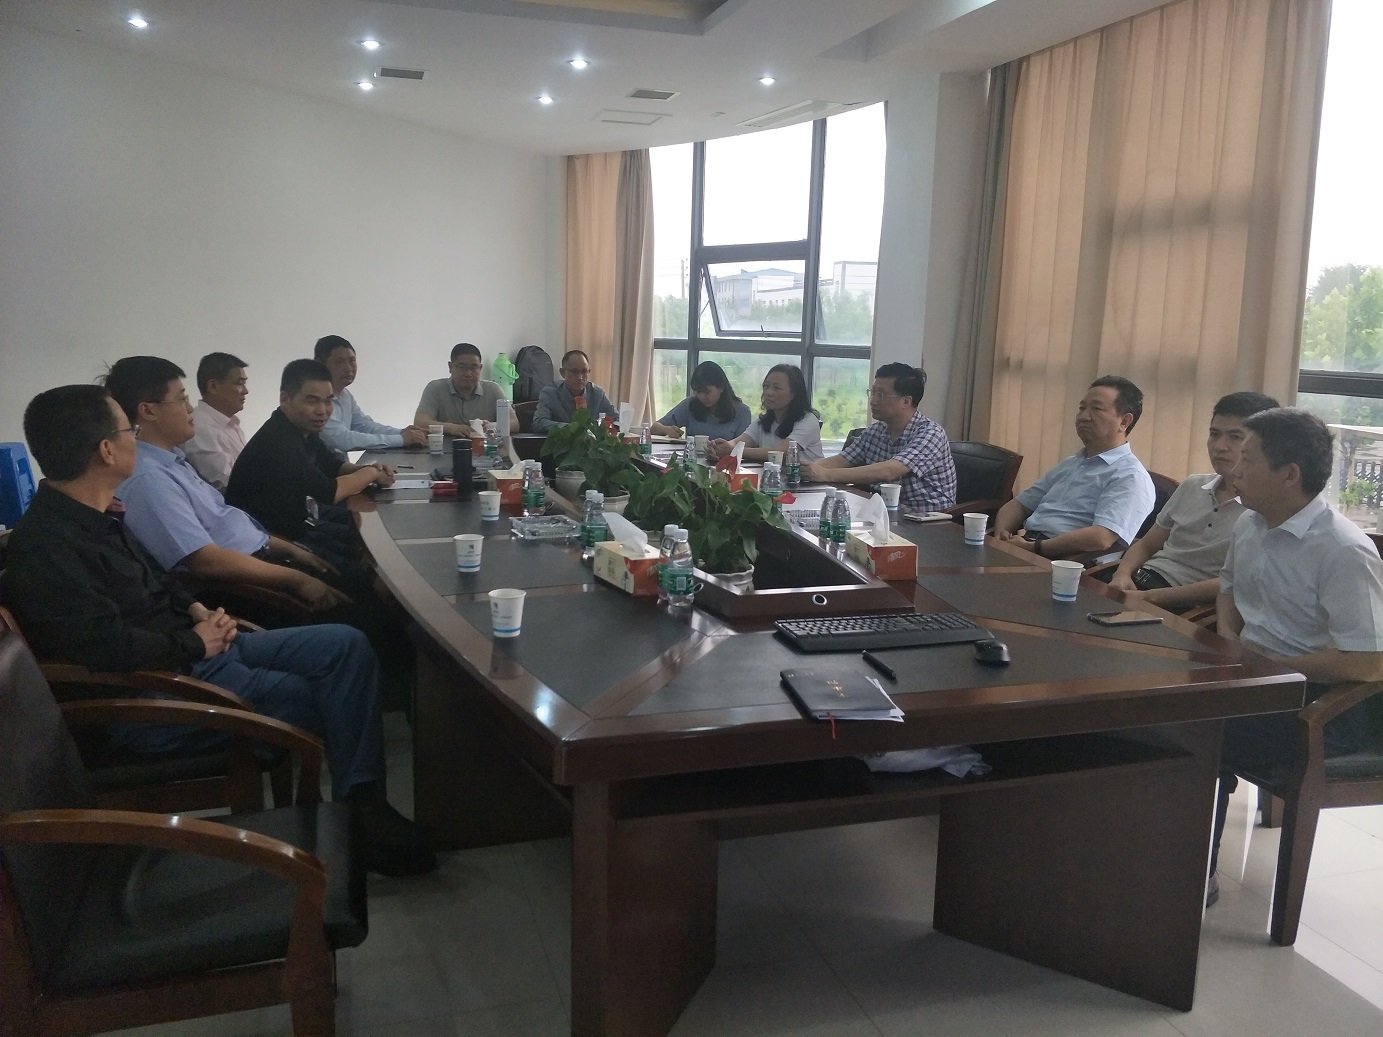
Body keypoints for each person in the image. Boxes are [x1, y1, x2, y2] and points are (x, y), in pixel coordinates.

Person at [4, 383, 435, 876]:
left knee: (347, 646)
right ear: (106, 450)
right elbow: (102, 646)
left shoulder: (100, 514)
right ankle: (363, 821)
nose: (134, 440)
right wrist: (194, 641)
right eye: (128, 430)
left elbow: (161, 582)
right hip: (160, 694)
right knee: (328, 697)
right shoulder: (48, 546)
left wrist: (196, 611)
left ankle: (363, 803)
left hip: (199, 653)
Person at [1208, 408, 1383, 906]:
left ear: (1289, 474)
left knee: (1200, 727)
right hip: (1256, 677)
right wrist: (1228, 635)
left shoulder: (1343, 551)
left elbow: (1370, 664)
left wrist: (1276, 664)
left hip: (1326, 708)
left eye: (1247, 460)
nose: (1234, 470)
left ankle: (1195, 870)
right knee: (1162, 707)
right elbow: (1227, 588)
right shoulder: (1250, 524)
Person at [105, 356, 348, 613]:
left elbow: (225, 519)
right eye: (182, 399)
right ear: (148, 411)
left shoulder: (173, 460)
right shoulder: (149, 481)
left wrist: (292, 551)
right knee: (359, 597)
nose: (190, 408)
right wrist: (298, 579)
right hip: (247, 584)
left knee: (353, 568)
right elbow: (207, 562)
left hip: (267, 552)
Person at [1106, 392, 1279, 611]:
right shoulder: (1193, 485)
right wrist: (1122, 575)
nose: (1219, 446)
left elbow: (1232, 582)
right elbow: (1147, 545)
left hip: (1180, 606)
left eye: (1235, 437)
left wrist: (1152, 597)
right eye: (1214, 434)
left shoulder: (1265, 510)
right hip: (1138, 583)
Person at [226, 359, 398, 566]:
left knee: (369, 544)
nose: (322, 410)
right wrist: (370, 474)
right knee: (365, 568)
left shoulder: (301, 427)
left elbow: (332, 465)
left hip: (298, 524)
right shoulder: (280, 441)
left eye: (328, 401)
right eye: (312, 401)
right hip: (269, 545)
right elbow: (329, 492)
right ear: (285, 399)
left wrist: (368, 469)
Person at [993, 375, 1155, 563]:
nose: (1084, 417)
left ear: (1124, 421)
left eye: (1096, 409)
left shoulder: (1130, 476)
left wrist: (1034, 548)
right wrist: (1001, 534)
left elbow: (1101, 538)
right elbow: (1020, 505)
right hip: (1027, 547)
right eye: (1082, 408)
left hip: (1067, 564)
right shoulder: (1072, 463)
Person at [801, 362, 956, 511]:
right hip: (884, 513)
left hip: (927, 519)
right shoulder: (876, 430)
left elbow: (889, 471)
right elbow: (842, 460)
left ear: (906, 401)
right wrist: (804, 470)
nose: (873, 401)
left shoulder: (931, 433)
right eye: (872, 392)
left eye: (881, 395)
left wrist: (825, 474)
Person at [315, 334, 427, 457]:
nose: (348, 368)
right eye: (339, 362)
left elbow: (365, 426)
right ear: (320, 364)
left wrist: (403, 433)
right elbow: (342, 440)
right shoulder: (317, 401)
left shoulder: (346, 395)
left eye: (352, 361)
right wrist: (401, 439)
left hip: (342, 467)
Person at [707, 364, 824, 463]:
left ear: (794, 393)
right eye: (766, 386)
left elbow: (780, 453)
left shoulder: (808, 420)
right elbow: (738, 442)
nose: (768, 392)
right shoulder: (763, 421)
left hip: (806, 482)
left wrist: (734, 450)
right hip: (772, 479)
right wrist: (719, 448)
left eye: (776, 388)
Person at [414, 342, 520, 440]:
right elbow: (419, 422)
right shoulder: (435, 388)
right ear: (450, 367)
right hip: (444, 449)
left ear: (480, 368)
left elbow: (514, 423)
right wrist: (451, 428)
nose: (468, 373)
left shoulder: (493, 389)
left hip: (484, 449)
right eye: (462, 367)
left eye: (474, 368)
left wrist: (491, 426)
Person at [183, 351, 249, 490]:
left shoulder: (230, 423)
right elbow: (227, 483)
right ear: (213, 386)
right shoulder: (200, 427)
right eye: (239, 383)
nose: (245, 391)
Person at [650, 361, 752, 441]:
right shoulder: (690, 404)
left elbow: (742, 448)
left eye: (707, 392)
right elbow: (654, 428)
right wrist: (667, 430)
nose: (702, 397)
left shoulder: (742, 412)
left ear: (721, 387)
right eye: (698, 392)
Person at [532, 349, 618, 432]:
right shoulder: (550, 393)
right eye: (574, 371)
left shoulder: (597, 394)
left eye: (584, 371)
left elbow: (617, 420)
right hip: (562, 441)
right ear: (562, 372)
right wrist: (572, 428)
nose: (580, 377)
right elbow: (539, 422)